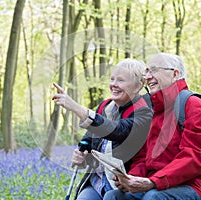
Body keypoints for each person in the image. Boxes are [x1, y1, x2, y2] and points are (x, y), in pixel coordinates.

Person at [103, 53, 201, 200]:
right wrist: (130, 179)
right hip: (168, 183)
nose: (147, 77)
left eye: (153, 70)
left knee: (154, 197)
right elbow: (146, 160)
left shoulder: (194, 106)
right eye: (146, 71)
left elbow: (195, 157)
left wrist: (153, 182)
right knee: (114, 196)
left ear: (175, 74)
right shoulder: (157, 111)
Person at [52, 58, 153, 200]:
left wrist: (77, 108)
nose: (113, 85)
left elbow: (118, 131)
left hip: (122, 185)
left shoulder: (145, 111)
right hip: (97, 181)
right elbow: (90, 138)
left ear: (138, 86)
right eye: (112, 79)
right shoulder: (105, 106)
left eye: (121, 80)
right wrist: (82, 156)